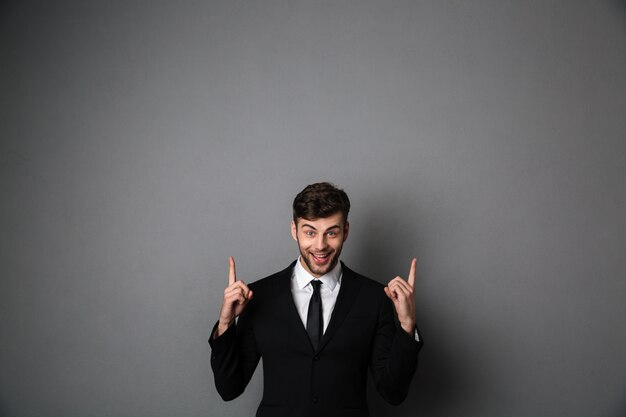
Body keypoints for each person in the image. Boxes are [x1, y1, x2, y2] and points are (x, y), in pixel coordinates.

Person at [209, 182, 422, 417]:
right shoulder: (258, 296)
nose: (320, 246)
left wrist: (407, 326)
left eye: (331, 232)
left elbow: (393, 392)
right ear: (294, 230)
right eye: (310, 232)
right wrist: (225, 324)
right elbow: (229, 389)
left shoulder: (374, 298)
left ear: (346, 232)